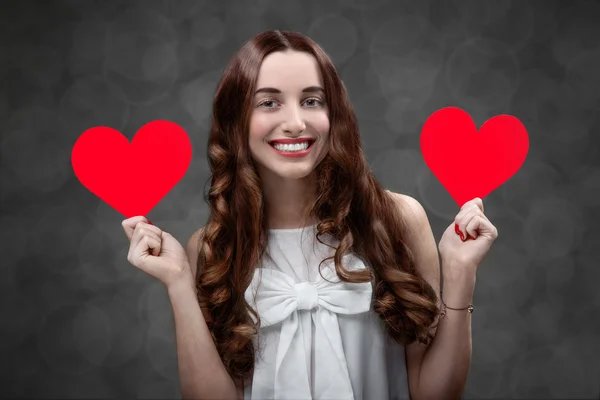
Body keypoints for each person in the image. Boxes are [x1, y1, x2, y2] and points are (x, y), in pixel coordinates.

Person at [122, 30, 498, 400]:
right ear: (236, 119)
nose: (296, 123)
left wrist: (461, 272)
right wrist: (177, 284)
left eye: (312, 101)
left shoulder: (398, 218)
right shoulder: (211, 248)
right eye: (268, 103)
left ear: (334, 113)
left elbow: (433, 393)